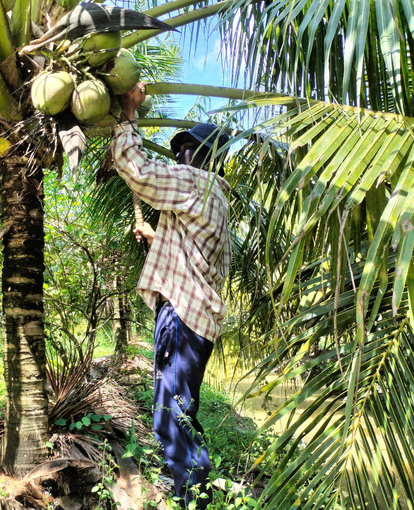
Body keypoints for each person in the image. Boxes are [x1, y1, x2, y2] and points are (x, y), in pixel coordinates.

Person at [110, 82, 231, 510]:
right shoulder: (214, 195)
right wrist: (155, 233)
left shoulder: (195, 183)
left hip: (182, 314)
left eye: (189, 149)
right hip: (196, 315)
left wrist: (127, 116)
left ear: (207, 158)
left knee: (171, 414)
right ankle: (185, 485)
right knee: (180, 410)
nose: (181, 156)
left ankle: (193, 499)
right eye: (178, 149)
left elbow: (138, 169)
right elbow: (193, 252)